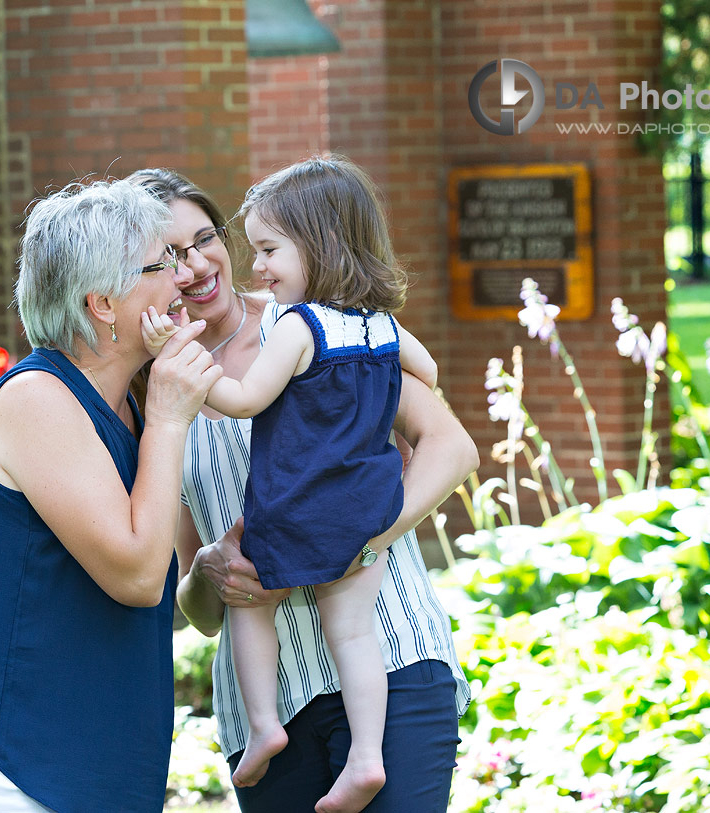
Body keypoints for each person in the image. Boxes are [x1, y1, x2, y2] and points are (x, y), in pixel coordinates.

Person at [128, 164, 477, 813]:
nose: (197, 264)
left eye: (206, 238)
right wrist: (211, 573)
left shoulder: (324, 326)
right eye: (168, 256)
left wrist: (359, 541)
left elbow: (452, 448)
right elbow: (192, 609)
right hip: (268, 714)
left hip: (391, 662)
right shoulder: (150, 393)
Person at [0, 178, 222, 813]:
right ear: (102, 303)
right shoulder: (36, 397)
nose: (186, 276)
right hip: (6, 776)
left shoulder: (132, 404)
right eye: (164, 263)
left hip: (92, 775)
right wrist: (169, 420)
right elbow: (135, 573)